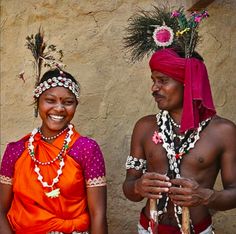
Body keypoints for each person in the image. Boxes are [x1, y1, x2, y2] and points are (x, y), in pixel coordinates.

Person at [122, 6, 236, 234]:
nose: (154, 88)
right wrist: (139, 186)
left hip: (198, 229)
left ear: (189, 83)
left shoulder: (223, 131)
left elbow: (234, 191)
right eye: (154, 80)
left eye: (163, 80)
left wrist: (206, 196)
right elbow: (129, 188)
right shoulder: (145, 127)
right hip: (148, 229)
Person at [0, 69, 108, 234]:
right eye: (50, 100)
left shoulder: (87, 149)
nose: (59, 108)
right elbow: (0, 210)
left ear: (76, 105)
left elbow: (98, 214)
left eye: (68, 102)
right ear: (37, 101)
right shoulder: (16, 151)